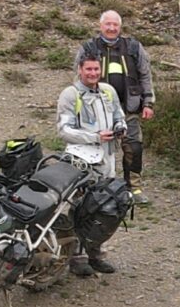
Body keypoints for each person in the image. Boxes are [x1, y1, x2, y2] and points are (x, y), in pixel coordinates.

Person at [55, 57, 128, 276]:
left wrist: (120, 126)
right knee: (80, 207)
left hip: (107, 158)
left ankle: (96, 253)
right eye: (88, 69)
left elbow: (118, 113)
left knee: (105, 207)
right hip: (81, 161)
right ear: (79, 70)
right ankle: (77, 257)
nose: (93, 73)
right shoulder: (70, 95)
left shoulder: (108, 91)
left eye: (96, 69)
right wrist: (94, 137)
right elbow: (63, 129)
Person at [75, 11, 154, 198]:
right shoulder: (88, 47)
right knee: (97, 148)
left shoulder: (134, 47)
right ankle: (98, 187)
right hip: (97, 109)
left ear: (120, 26)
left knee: (134, 148)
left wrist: (148, 102)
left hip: (130, 108)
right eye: (108, 24)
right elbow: (78, 75)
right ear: (100, 25)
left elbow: (145, 75)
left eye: (115, 25)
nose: (111, 28)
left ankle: (132, 187)